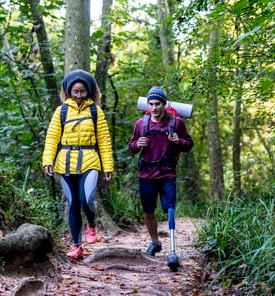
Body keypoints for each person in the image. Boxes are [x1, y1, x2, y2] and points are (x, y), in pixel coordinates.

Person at [42, 69, 114, 259]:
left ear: (88, 91)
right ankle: (76, 246)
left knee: (86, 199)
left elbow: (104, 141)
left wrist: (108, 166)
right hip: (65, 161)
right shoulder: (61, 111)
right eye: (75, 92)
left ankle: (91, 225)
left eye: (82, 91)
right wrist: (47, 160)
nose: (79, 95)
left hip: (90, 159)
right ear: (69, 92)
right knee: (73, 202)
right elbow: (52, 138)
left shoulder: (95, 111)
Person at [128, 86, 194, 257]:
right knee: (148, 210)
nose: (154, 107)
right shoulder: (140, 124)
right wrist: (137, 144)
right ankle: (155, 242)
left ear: (164, 104)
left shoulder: (176, 123)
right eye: (151, 104)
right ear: (148, 105)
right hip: (146, 174)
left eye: (158, 103)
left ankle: (172, 250)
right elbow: (132, 147)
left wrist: (179, 141)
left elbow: (189, 144)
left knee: (170, 208)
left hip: (167, 173)